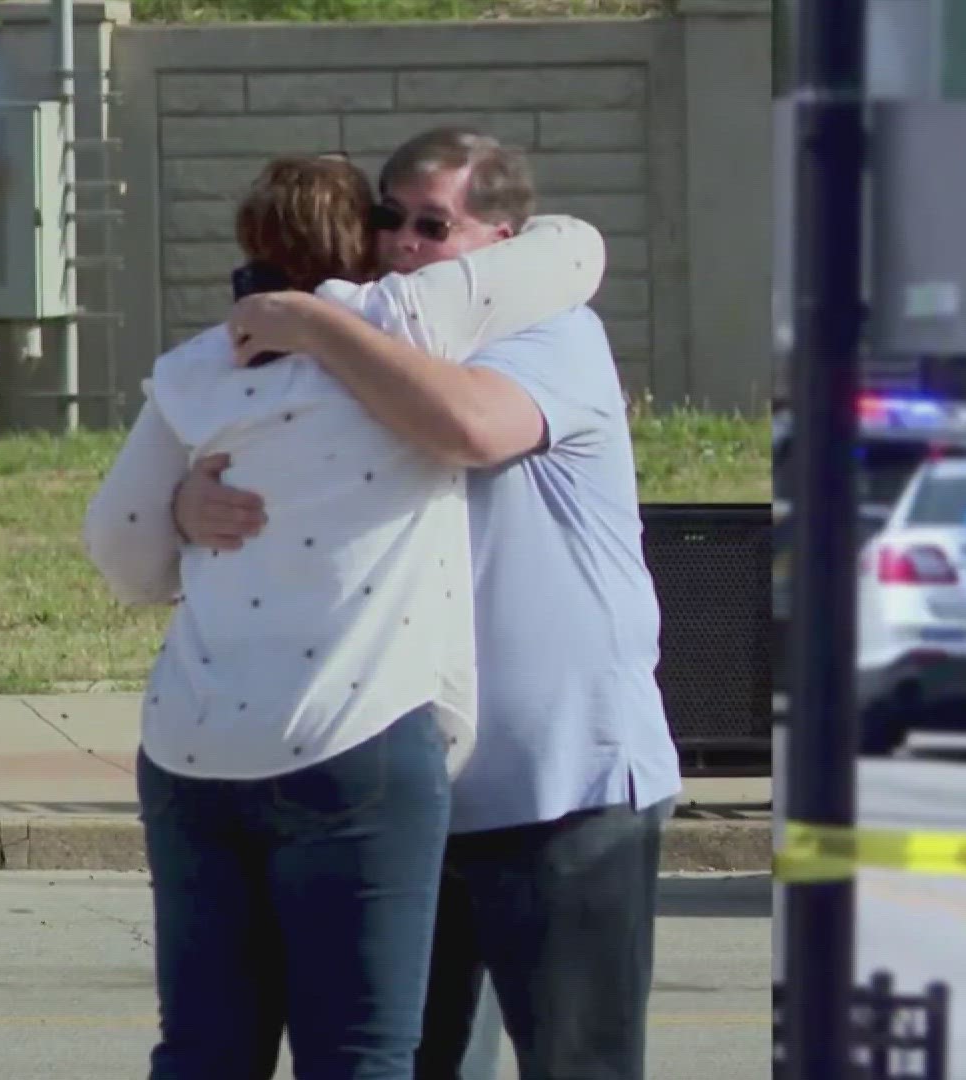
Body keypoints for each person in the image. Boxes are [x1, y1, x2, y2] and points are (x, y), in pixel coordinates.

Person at [80, 154, 606, 1079]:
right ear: (363, 242)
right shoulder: (409, 321)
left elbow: (118, 552)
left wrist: (178, 517)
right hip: (354, 731)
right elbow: (578, 250)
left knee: (203, 1048)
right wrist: (331, 315)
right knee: (360, 1053)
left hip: (194, 748)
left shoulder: (198, 369)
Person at [193, 127, 682, 1080]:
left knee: (579, 1062)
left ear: (501, 242)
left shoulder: (552, 335)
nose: (406, 244)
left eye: (434, 225)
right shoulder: (366, 349)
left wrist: (314, 323)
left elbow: (467, 427)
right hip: (410, 785)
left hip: (563, 783)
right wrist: (185, 501)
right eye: (390, 219)